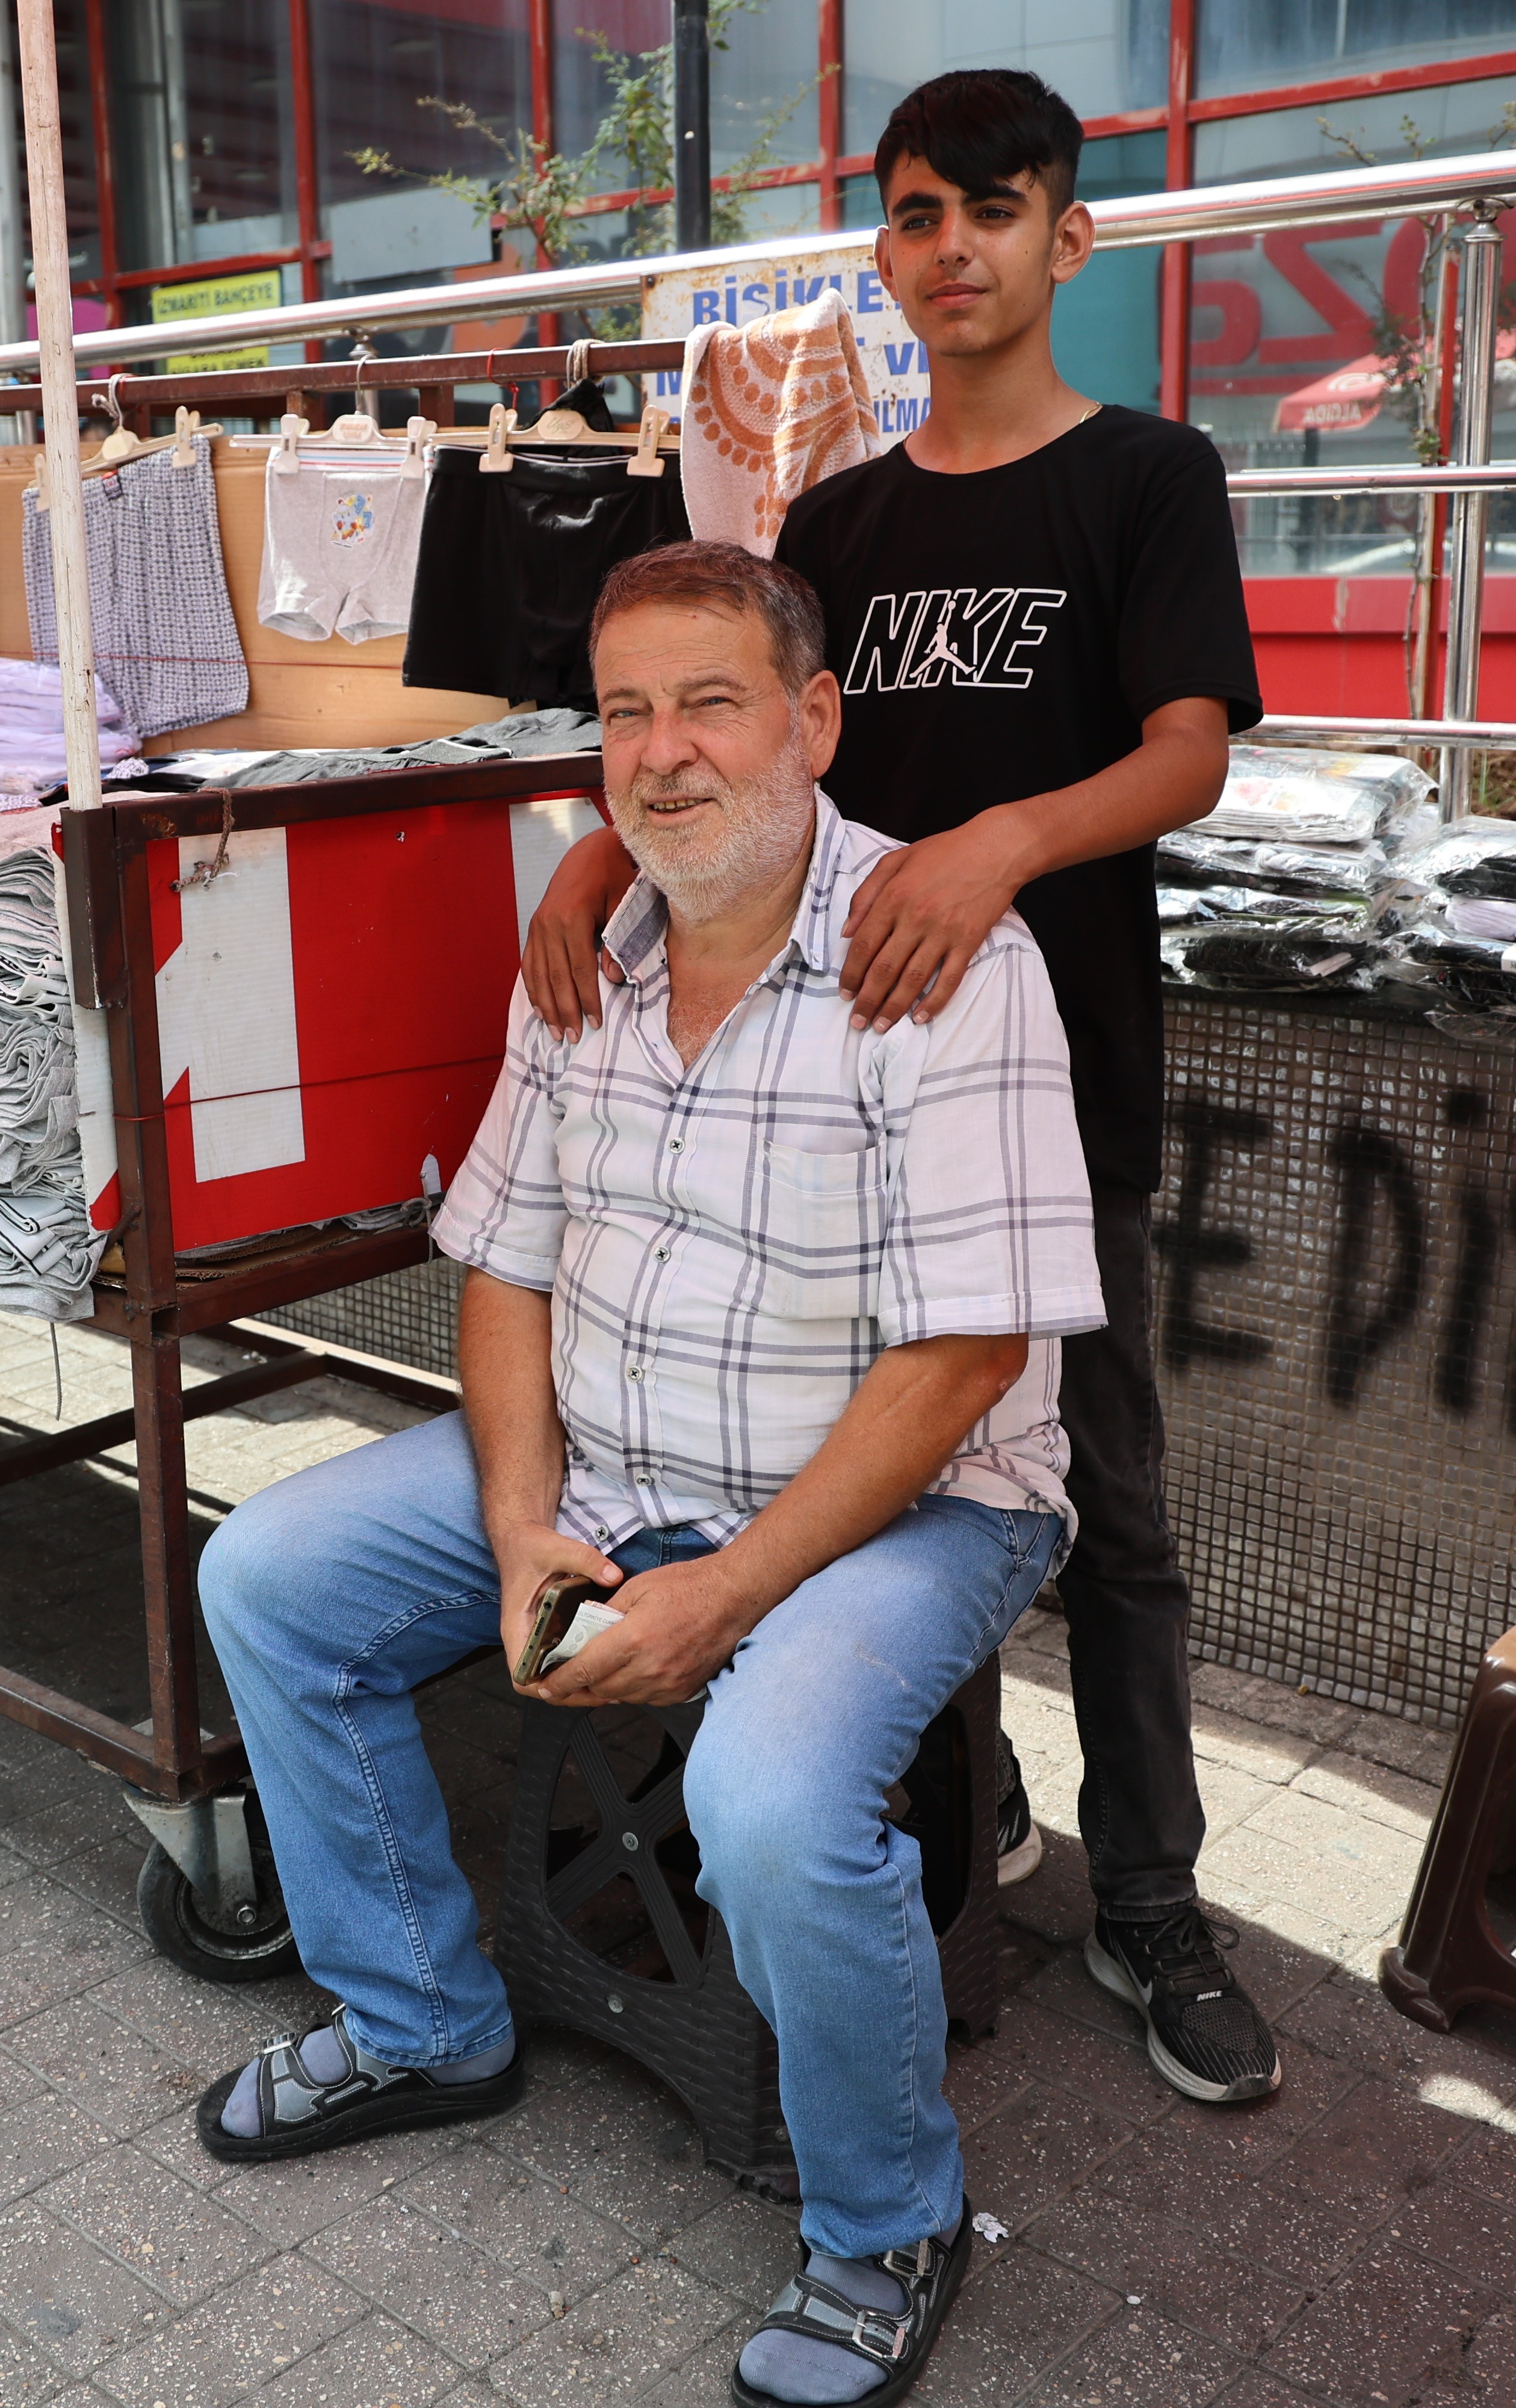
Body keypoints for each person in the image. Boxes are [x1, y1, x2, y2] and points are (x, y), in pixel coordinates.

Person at [200, 540, 1094, 2408]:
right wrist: (526, 1520)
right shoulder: (581, 950)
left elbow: (965, 1357)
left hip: (911, 1503)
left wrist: (728, 1589)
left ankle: (883, 2217)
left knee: (768, 1805)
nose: (663, 755)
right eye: (623, 714)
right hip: (606, 1457)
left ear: (812, 718)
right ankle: (420, 2020)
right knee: (267, 1578)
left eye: (708, 702)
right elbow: (506, 1260)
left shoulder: (939, 957)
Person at [517, 69, 1279, 2112]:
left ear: (1069, 238)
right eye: (921, 215)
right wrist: (605, 849)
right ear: (884, 251)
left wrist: (1003, 842)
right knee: (849, 1498)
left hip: (1049, 1087)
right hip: (808, 1102)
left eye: (998, 212)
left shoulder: (1146, 475)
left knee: (1100, 1516)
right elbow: (743, 741)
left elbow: (1191, 752)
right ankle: (964, 1821)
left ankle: (1152, 1909)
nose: (957, 250)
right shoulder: (843, 518)